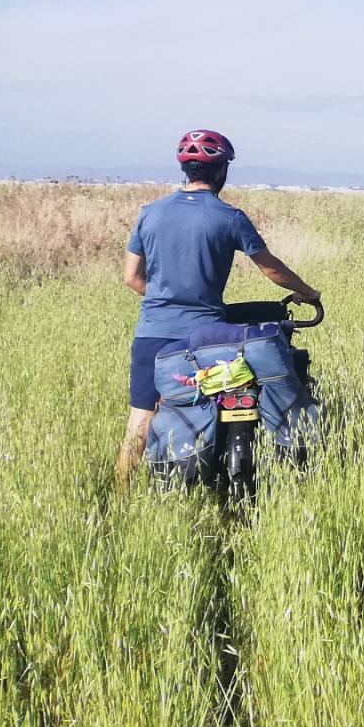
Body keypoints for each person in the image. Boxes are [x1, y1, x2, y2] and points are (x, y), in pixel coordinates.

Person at [116, 129, 322, 487]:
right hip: (206, 335)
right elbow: (271, 269)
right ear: (222, 171)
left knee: (140, 418)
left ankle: (119, 496)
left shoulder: (149, 214)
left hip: (153, 331)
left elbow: (132, 277)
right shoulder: (229, 217)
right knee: (230, 399)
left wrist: (167, 298)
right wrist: (309, 292)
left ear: (186, 169)